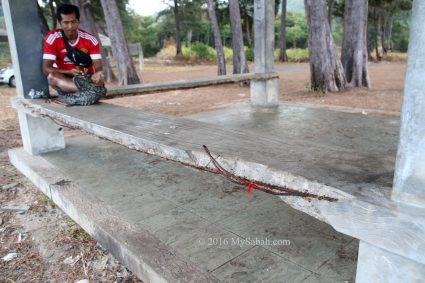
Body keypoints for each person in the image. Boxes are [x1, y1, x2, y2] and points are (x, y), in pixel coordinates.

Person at [42, 4, 104, 94]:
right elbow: (46, 69)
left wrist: (98, 74)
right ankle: (88, 91)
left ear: (78, 21)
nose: (70, 26)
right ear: (60, 23)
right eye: (66, 23)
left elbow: (98, 68)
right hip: (65, 79)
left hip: (86, 79)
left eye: (73, 22)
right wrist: (69, 72)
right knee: (52, 76)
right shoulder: (53, 38)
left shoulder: (90, 39)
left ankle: (88, 90)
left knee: (99, 78)